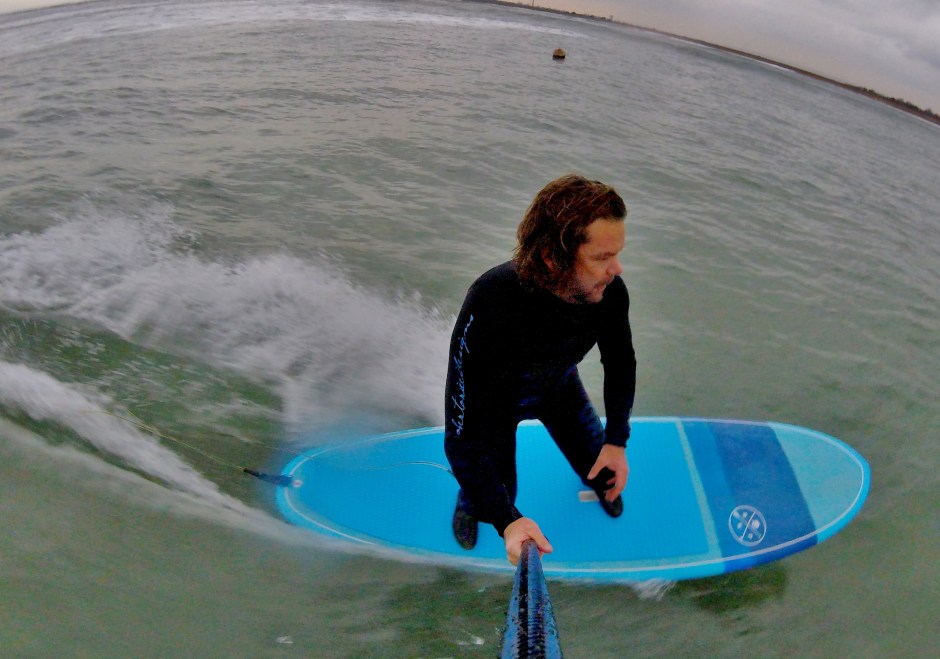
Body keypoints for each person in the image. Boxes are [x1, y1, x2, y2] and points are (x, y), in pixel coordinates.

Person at [443, 174, 637, 565]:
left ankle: (594, 473)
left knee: (601, 471)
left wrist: (617, 439)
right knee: (498, 495)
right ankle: (471, 506)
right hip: (497, 406)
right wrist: (507, 521)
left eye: (617, 254)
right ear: (552, 258)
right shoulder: (491, 300)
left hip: (559, 389)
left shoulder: (609, 292)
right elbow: (461, 435)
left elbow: (620, 362)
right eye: (602, 257)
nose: (616, 269)